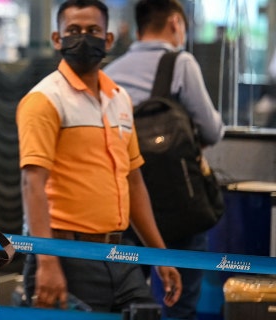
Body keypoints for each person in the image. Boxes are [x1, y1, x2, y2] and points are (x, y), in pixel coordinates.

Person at [15, 0, 183, 314]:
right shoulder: (44, 100)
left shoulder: (119, 99)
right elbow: (32, 184)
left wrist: (160, 255)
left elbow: (133, 183)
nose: (83, 37)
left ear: (108, 39)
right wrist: (47, 261)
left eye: (93, 30)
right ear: (57, 39)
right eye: (73, 30)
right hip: (66, 254)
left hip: (120, 254)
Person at [103, 1, 225, 319]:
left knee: (128, 301)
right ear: (175, 23)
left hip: (125, 206)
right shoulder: (180, 62)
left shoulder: (107, 74)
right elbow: (212, 130)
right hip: (179, 205)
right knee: (179, 302)